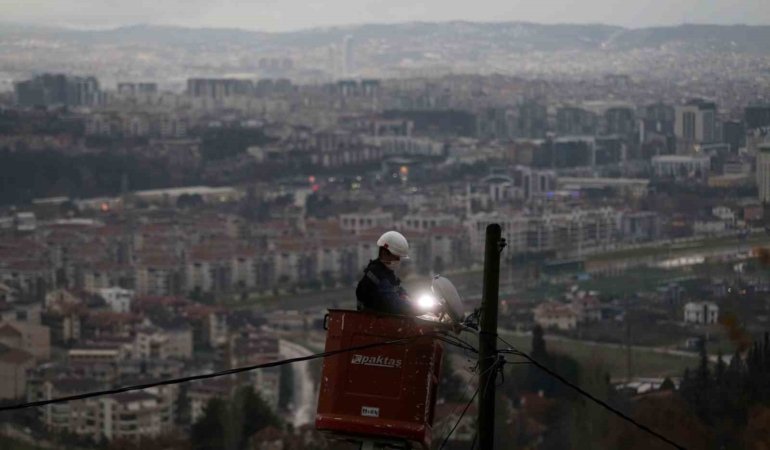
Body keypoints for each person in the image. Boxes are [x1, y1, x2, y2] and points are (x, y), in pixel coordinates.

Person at [356, 231, 428, 316]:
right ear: (384, 254)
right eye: (396, 257)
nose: (399, 261)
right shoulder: (376, 274)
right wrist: (426, 308)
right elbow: (394, 303)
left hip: (381, 319)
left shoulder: (387, 273)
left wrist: (405, 297)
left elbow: (398, 289)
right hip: (371, 322)